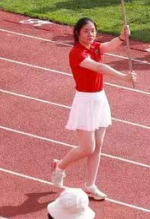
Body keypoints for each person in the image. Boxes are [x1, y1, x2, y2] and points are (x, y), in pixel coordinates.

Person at [51, 18, 134, 201]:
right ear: (77, 33)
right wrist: (123, 77)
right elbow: (98, 67)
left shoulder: (95, 47)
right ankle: (60, 166)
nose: (90, 34)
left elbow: (108, 46)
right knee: (88, 148)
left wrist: (121, 37)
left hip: (99, 99)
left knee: (98, 145)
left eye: (93, 31)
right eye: (86, 31)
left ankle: (90, 185)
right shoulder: (76, 53)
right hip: (85, 101)